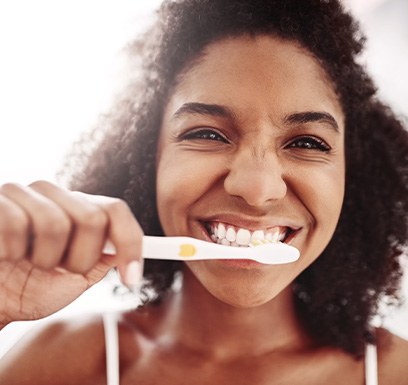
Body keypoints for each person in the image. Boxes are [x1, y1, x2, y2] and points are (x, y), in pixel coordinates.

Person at [0, 0, 408, 383]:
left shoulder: (395, 371)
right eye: (207, 134)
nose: (257, 188)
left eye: (306, 143)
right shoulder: (62, 362)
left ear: (350, 174)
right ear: (148, 157)